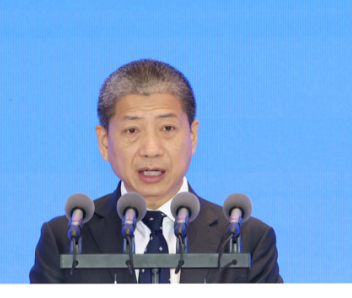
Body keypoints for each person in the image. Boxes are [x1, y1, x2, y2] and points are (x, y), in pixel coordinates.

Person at [29, 59, 282, 284]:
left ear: (192, 136)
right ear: (104, 142)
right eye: (132, 130)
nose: (151, 149)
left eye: (168, 128)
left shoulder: (247, 238)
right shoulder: (66, 238)